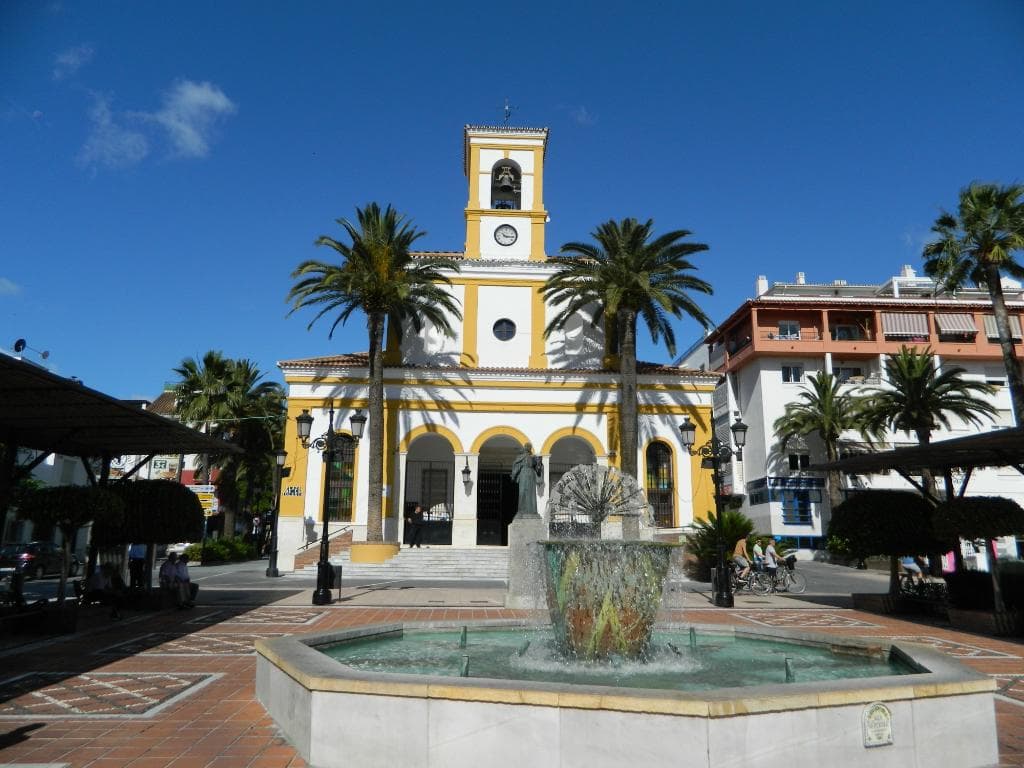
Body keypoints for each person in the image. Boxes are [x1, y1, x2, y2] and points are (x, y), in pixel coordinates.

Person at [510, 443, 543, 518]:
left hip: (527, 474)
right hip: (527, 474)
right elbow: (537, 469)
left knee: (527, 493)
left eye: (528, 447)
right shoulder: (527, 457)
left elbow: (538, 468)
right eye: (527, 447)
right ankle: (525, 511)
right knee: (526, 493)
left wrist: (539, 463)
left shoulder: (529, 457)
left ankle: (528, 511)